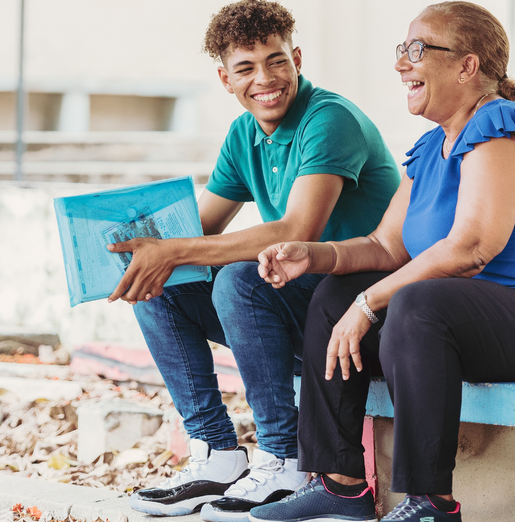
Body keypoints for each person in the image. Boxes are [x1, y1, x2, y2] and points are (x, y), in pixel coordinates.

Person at [248, 3, 515, 522]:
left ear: (467, 65)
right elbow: (383, 247)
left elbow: (471, 248)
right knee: (333, 295)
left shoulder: (501, 124)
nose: (402, 63)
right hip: (474, 319)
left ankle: (431, 504)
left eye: (417, 49)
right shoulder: (429, 148)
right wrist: (317, 255)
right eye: (402, 49)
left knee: (417, 302)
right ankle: (341, 486)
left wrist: (371, 302)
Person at [113, 0, 400, 519]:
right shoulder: (244, 136)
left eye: (276, 61)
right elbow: (199, 230)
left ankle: (284, 455)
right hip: (302, 312)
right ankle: (216, 453)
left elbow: (296, 232)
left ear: (297, 58)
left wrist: (173, 248)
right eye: (246, 68)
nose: (265, 79)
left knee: (241, 280)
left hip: (365, 314)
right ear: (225, 79)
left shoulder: (329, 119)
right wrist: (132, 250)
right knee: (163, 284)